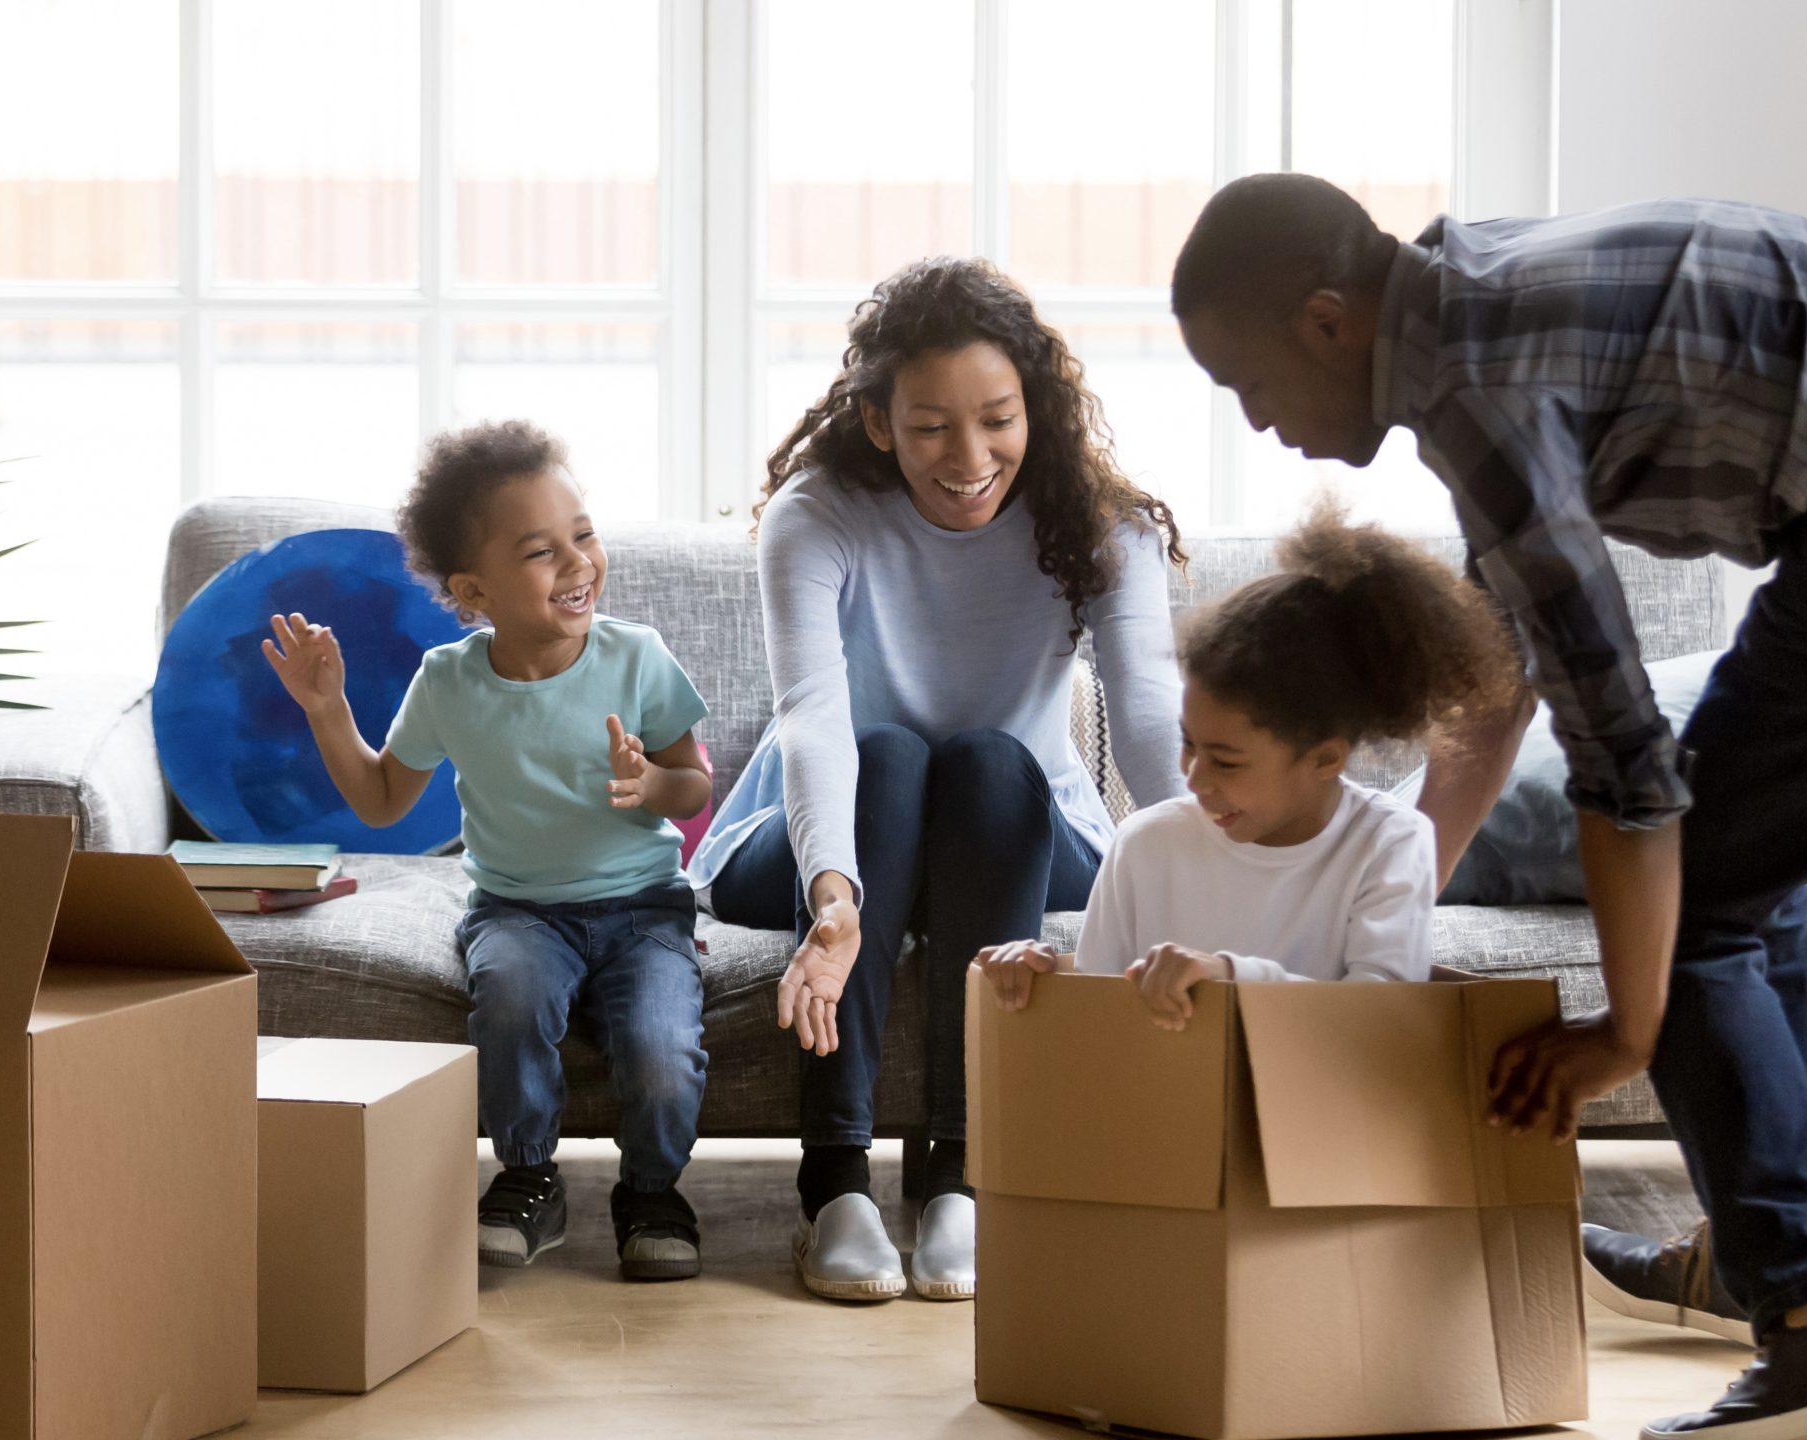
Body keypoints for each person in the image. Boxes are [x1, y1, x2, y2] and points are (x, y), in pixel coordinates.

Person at [1168, 173, 1807, 1440]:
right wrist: (1378, 896)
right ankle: (1772, 1247)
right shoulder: (1466, 287)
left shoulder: (1473, 394)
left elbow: (1625, 763)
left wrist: (1626, 1032)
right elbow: (1503, 683)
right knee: (1742, 870)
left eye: (1249, 383)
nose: (1257, 422)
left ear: (1328, 320)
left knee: (1704, 888)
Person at [690, 257, 1189, 1303]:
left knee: (989, 763)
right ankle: (836, 1186)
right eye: (929, 428)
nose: (968, 458)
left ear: (1036, 409)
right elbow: (815, 721)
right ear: (878, 421)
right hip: (816, 835)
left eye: (997, 419)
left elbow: (1148, 716)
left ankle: (960, 1179)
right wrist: (830, 900)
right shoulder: (816, 514)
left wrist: (1208, 874)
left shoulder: (1105, 525)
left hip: (1010, 831)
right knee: (890, 755)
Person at [263, 420, 716, 1284]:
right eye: (543, 552)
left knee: (661, 1049)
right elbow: (385, 799)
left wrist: (652, 787)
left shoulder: (638, 658)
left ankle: (653, 1191)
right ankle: (528, 1178)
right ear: (475, 589)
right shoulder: (449, 680)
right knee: (509, 1001)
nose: (579, 563)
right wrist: (327, 710)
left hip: (645, 908)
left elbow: (693, 784)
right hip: (518, 909)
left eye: (583, 535)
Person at [978, 508, 1521, 1021]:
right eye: (1189, 744)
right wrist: (1045, 976)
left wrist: (1230, 978)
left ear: (1326, 758)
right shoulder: (1144, 844)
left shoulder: (1391, 844)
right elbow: (1102, 1009)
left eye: (1227, 762)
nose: (1193, 777)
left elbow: (1380, 1019)